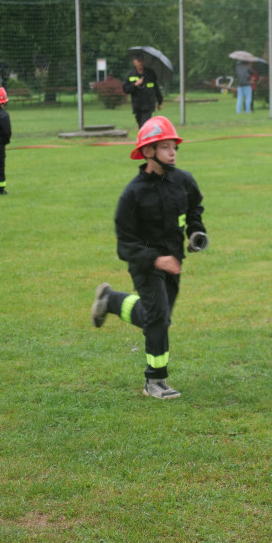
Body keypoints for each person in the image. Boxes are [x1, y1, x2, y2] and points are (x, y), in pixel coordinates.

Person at [90, 116, 209, 400]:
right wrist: (156, 260)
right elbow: (125, 244)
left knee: (155, 317)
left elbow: (194, 210)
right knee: (158, 318)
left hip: (174, 262)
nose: (172, 152)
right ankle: (155, 381)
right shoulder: (133, 194)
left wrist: (196, 233)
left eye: (174, 147)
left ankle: (111, 300)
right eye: (165, 147)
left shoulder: (184, 181)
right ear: (147, 152)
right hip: (145, 264)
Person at [123, 53, 163, 127]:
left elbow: (156, 88)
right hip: (137, 104)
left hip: (149, 104)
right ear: (134, 63)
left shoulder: (150, 73)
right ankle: (143, 138)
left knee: (145, 124)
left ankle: (144, 137)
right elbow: (126, 89)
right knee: (140, 124)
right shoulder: (130, 74)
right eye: (138, 61)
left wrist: (160, 101)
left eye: (142, 61)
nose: (140, 63)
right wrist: (135, 85)